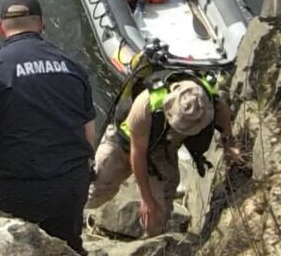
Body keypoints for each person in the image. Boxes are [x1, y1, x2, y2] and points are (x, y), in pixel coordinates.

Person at [0, 0, 95, 255]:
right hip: (71, 184)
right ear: (42, 25)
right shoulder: (72, 66)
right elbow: (89, 135)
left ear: (0, 28)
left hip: (20, 186)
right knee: (67, 254)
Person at [88, 72, 240, 238]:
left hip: (164, 148)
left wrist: (229, 143)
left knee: (158, 213)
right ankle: (74, 218)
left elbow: (221, 109)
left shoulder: (204, 99)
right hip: (125, 144)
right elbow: (137, 155)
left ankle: (152, 240)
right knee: (94, 190)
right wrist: (146, 199)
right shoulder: (145, 105)